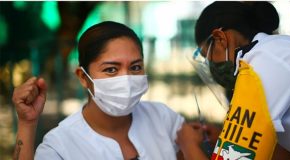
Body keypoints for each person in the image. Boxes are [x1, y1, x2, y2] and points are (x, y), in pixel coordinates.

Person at [12, 21, 186, 160]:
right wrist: (27, 124)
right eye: (111, 69)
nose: (126, 79)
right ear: (83, 77)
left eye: (135, 67)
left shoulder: (163, 118)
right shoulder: (60, 146)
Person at [176, 1, 290, 160]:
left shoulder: (259, 67)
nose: (212, 67)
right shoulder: (275, 51)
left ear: (220, 38)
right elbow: (282, 153)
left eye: (209, 56)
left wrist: (188, 144)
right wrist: (227, 138)